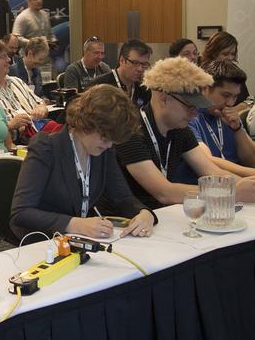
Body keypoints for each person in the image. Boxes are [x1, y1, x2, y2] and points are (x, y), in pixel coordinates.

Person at [117, 58, 255, 207]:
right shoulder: (130, 131)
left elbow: (212, 172)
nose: (195, 114)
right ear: (164, 97)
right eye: (189, 106)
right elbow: (164, 192)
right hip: (131, 222)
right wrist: (232, 191)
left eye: (197, 107)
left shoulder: (180, 129)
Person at [10, 85, 156, 241]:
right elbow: (21, 212)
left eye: (113, 140)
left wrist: (144, 213)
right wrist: (75, 224)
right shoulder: (46, 147)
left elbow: (122, 197)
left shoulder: (103, 151)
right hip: (41, 241)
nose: (109, 145)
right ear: (86, 123)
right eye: (105, 138)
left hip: (77, 240)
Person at [178, 59, 255, 184]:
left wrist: (238, 129)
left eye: (235, 96)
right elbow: (207, 160)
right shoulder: (190, 116)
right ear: (206, 89)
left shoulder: (229, 116)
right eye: (226, 95)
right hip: (205, 187)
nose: (230, 103)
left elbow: (254, 162)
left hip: (237, 184)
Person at [0, 38, 53, 141]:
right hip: (17, 142)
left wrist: (41, 108)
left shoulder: (17, 81)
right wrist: (10, 125)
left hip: (38, 133)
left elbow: (40, 103)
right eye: (3, 57)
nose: (9, 60)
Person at [89, 38, 151, 108]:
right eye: (135, 63)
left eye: (144, 64)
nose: (140, 69)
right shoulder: (99, 86)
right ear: (122, 60)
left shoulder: (144, 90)